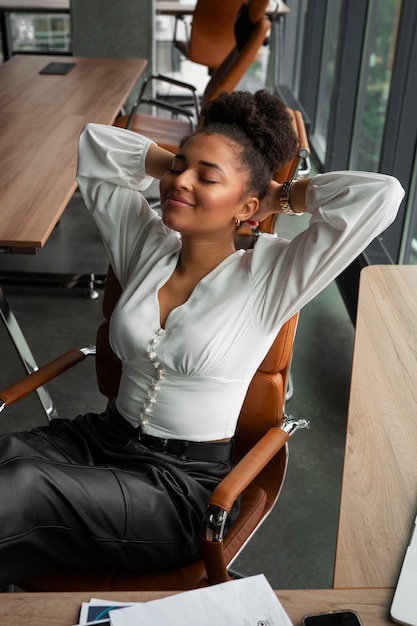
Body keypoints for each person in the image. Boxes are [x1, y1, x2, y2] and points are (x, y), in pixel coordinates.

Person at [0, 90, 404, 586]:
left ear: (247, 206)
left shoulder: (274, 276)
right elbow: (96, 145)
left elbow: (380, 195)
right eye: (178, 168)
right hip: (96, 442)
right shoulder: (145, 244)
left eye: (207, 177)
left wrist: (283, 195)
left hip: (175, 489)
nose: (179, 182)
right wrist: (188, 163)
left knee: (19, 489)